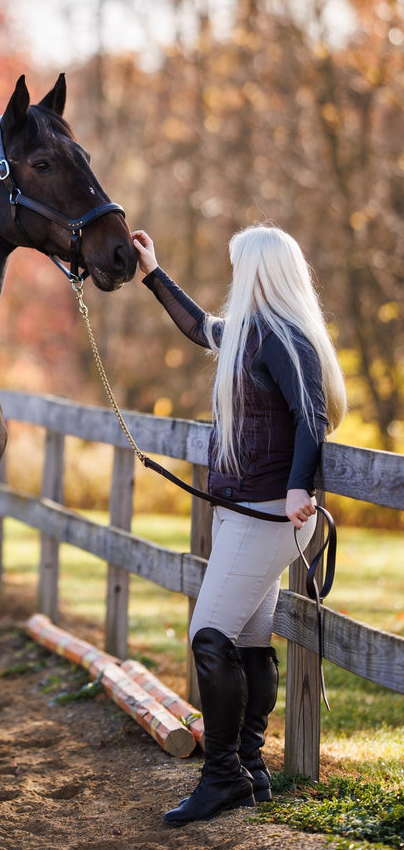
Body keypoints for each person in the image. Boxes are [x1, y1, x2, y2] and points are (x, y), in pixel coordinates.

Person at [132, 224, 346, 827]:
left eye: (237, 267)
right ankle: (249, 768)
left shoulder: (283, 338)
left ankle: (222, 775)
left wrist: (299, 487)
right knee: (248, 640)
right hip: (244, 512)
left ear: (258, 271)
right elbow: (200, 326)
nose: (232, 277)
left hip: (266, 515)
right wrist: (153, 273)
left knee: (209, 636)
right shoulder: (249, 335)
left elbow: (313, 417)